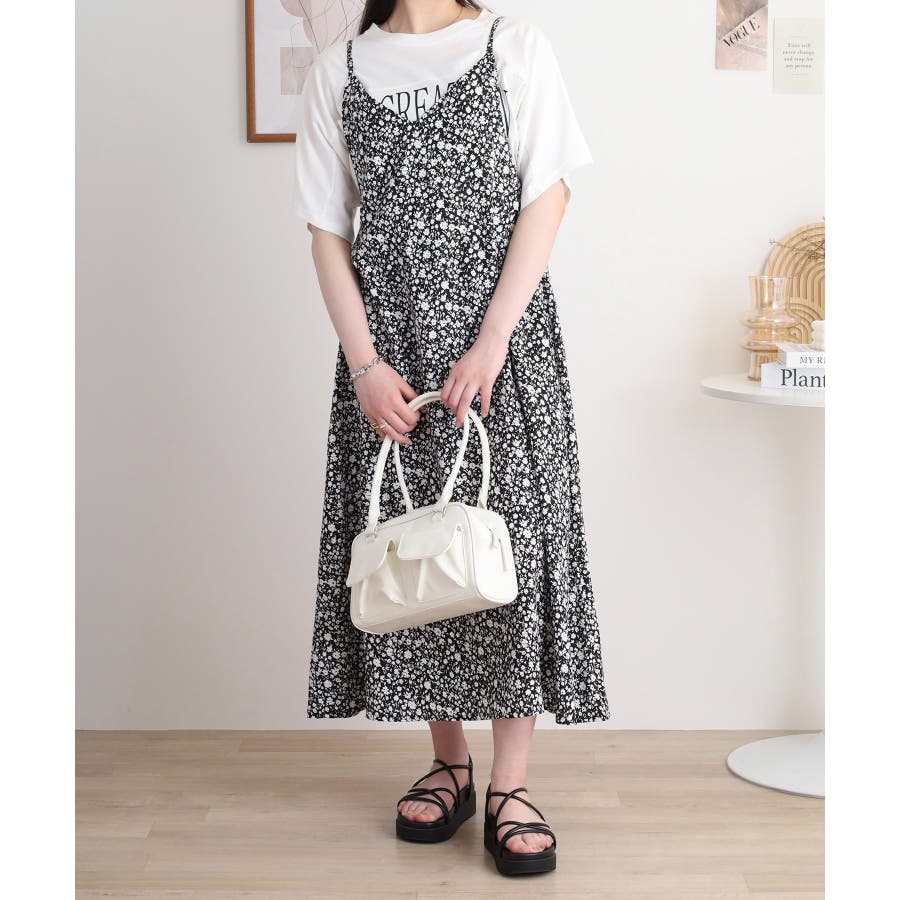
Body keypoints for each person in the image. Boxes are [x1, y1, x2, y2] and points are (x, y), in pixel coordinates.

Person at [292, 0, 610, 876]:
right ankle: (449, 763)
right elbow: (326, 231)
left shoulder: (513, 46)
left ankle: (510, 783)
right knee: (415, 555)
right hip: (390, 359)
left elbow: (548, 194)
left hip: (500, 349)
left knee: (511, 552)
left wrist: (494, 338)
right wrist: (364, 365)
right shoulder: (337, 71)